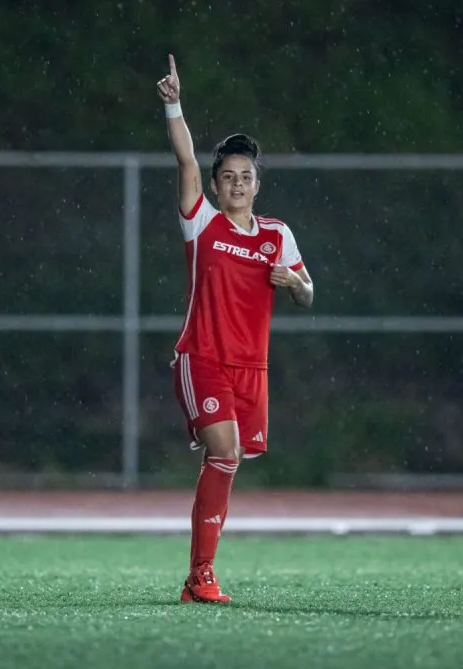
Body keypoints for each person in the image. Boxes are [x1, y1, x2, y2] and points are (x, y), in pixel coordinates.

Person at [156, 54, 315, 604]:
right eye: (229, 177)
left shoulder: (276, 235)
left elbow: (309, 290)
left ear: (257, 184)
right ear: (219, 186)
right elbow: (185, 165)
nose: (238, 184)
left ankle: (199, 574)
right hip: (201, 356)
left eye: (246, 176)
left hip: (252, 368)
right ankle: (201, 576)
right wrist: (174, 103)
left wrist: (292, 283)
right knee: (223, 452)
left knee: (228, 461)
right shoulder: (202, 222)